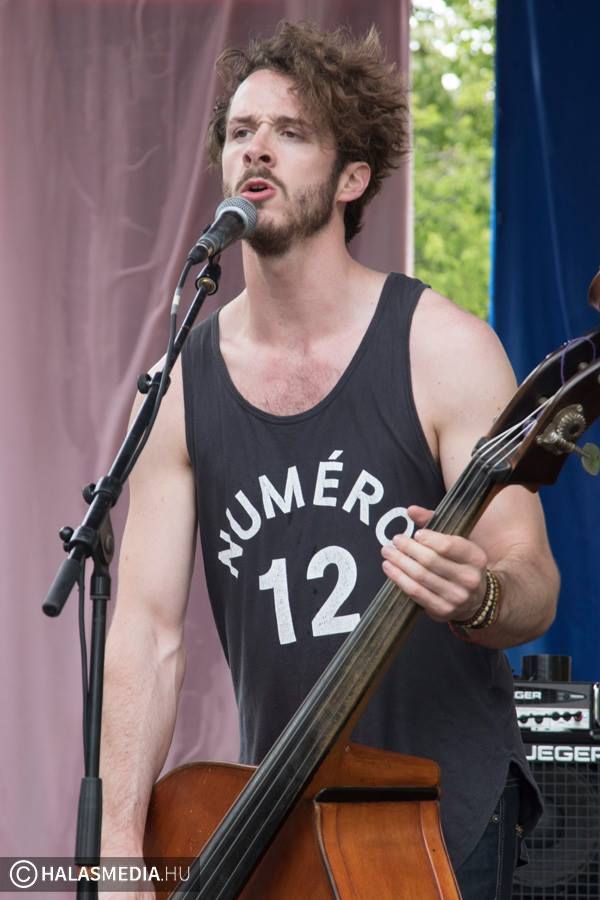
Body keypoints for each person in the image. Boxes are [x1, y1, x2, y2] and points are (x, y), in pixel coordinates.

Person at [99, 21, 559, 900]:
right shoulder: (180, 383)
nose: (255, 148)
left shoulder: (443, 347)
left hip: (445, 811)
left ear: (352, 178)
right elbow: (147, 633)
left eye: (290, 131)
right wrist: (118, 846)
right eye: (241, 131)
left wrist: (481, 594)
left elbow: (533, 582)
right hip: (287, 821)